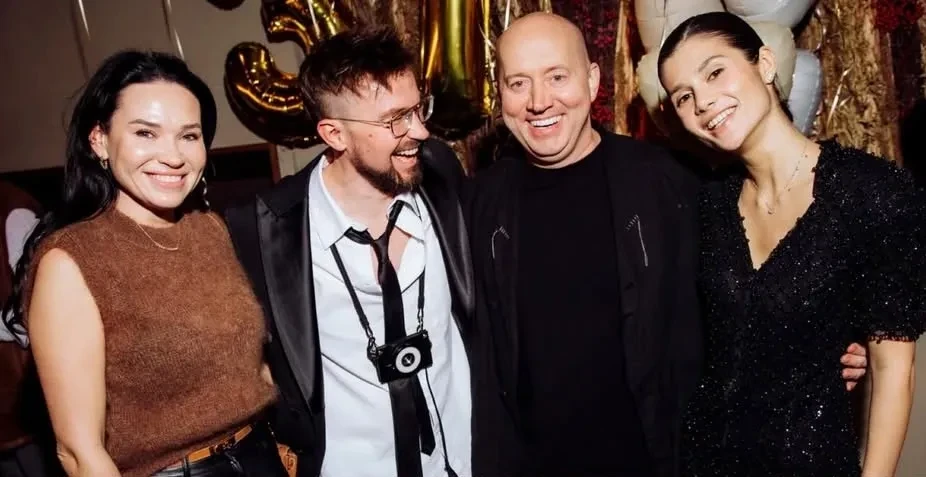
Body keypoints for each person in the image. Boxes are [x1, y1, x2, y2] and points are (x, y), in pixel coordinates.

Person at [465, 11, 871, 477]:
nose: (539, 101)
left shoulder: (673, 183)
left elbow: (749, 293)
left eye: (557, 77)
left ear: (593, 80)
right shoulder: (476, 205)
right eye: (518, 83)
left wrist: (829, 339)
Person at [657, 12, 926, 476]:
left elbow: (893, 370)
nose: (703, 102)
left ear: (764, 64)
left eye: (715, 72)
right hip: (707, 462)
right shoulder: (709, 207)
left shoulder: (872, 192)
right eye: (684, 96)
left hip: (813, 461)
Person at [7, 50, 286, 477]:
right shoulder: (71, 261)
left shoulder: (210, 228)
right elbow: (80, 453)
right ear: (99, 140)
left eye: (189, 136)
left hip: (261, 456)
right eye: (145, 133)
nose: (173, 156)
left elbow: (251, 363)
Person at [223, 27, 473, 477]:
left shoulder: (440, 176)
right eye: (395, 119)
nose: (420, 130)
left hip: (461, 462)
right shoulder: (265, 228)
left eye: (419, 109)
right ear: (334, 133)